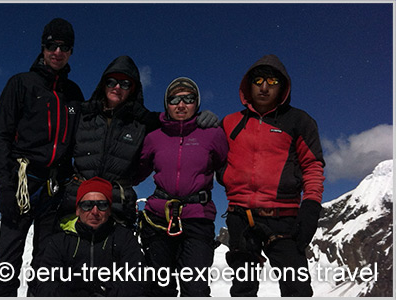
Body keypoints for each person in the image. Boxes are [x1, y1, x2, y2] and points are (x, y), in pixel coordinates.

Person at [0, 17, 84, 297]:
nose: (58, 52)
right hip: (22, 184)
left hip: (56, 188)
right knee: (8, 260)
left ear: (71, 52)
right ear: (43, 48)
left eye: (64, 47)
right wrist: (4, 187)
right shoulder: (21, 84)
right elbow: (1, 138)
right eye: (52, 45)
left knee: (47, 264)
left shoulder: (74, 94)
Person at [63, 56, 220, 228]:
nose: (117, 87)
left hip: (118, 207)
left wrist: (201, 117)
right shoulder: (82, 114)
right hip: (77, 202)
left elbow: (177, 120)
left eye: (125, 84)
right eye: (112, 81)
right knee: (67, 251)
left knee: (116, 254)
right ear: (103, 84)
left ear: (133, 89)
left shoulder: (143, 122)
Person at [219, 54, 324, 297]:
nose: (264, 87)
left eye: (272, 82)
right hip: (240, 217)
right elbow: (212, 155)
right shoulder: (230, 123)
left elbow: (313, 166)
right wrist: (226, 176)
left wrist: (310, 208)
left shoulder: (299, 121)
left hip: (284, 219)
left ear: (283, 86)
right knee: (243, 289)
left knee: (296, 288)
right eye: (258, 81)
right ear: (248, 84)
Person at [134, 77, 228, 296]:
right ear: (167, 103)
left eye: (188, 98)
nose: (181, 104)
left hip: (198, 217)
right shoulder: (154, 137)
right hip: (158, 219)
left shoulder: (213, 134)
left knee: (195, 288)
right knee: (159, 287)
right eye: (175, 99)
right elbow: (137, 172)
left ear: (197, 103)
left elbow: (228, 169)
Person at [33, 177, 146, 296]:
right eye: (87, 205)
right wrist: (70, 292)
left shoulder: (124, 238)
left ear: (109, 210)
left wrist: (103, 291)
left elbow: (139, 282)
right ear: (77, 210)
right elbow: (44, 284)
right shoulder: (61, 241)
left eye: (102, 205)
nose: (95, 211)